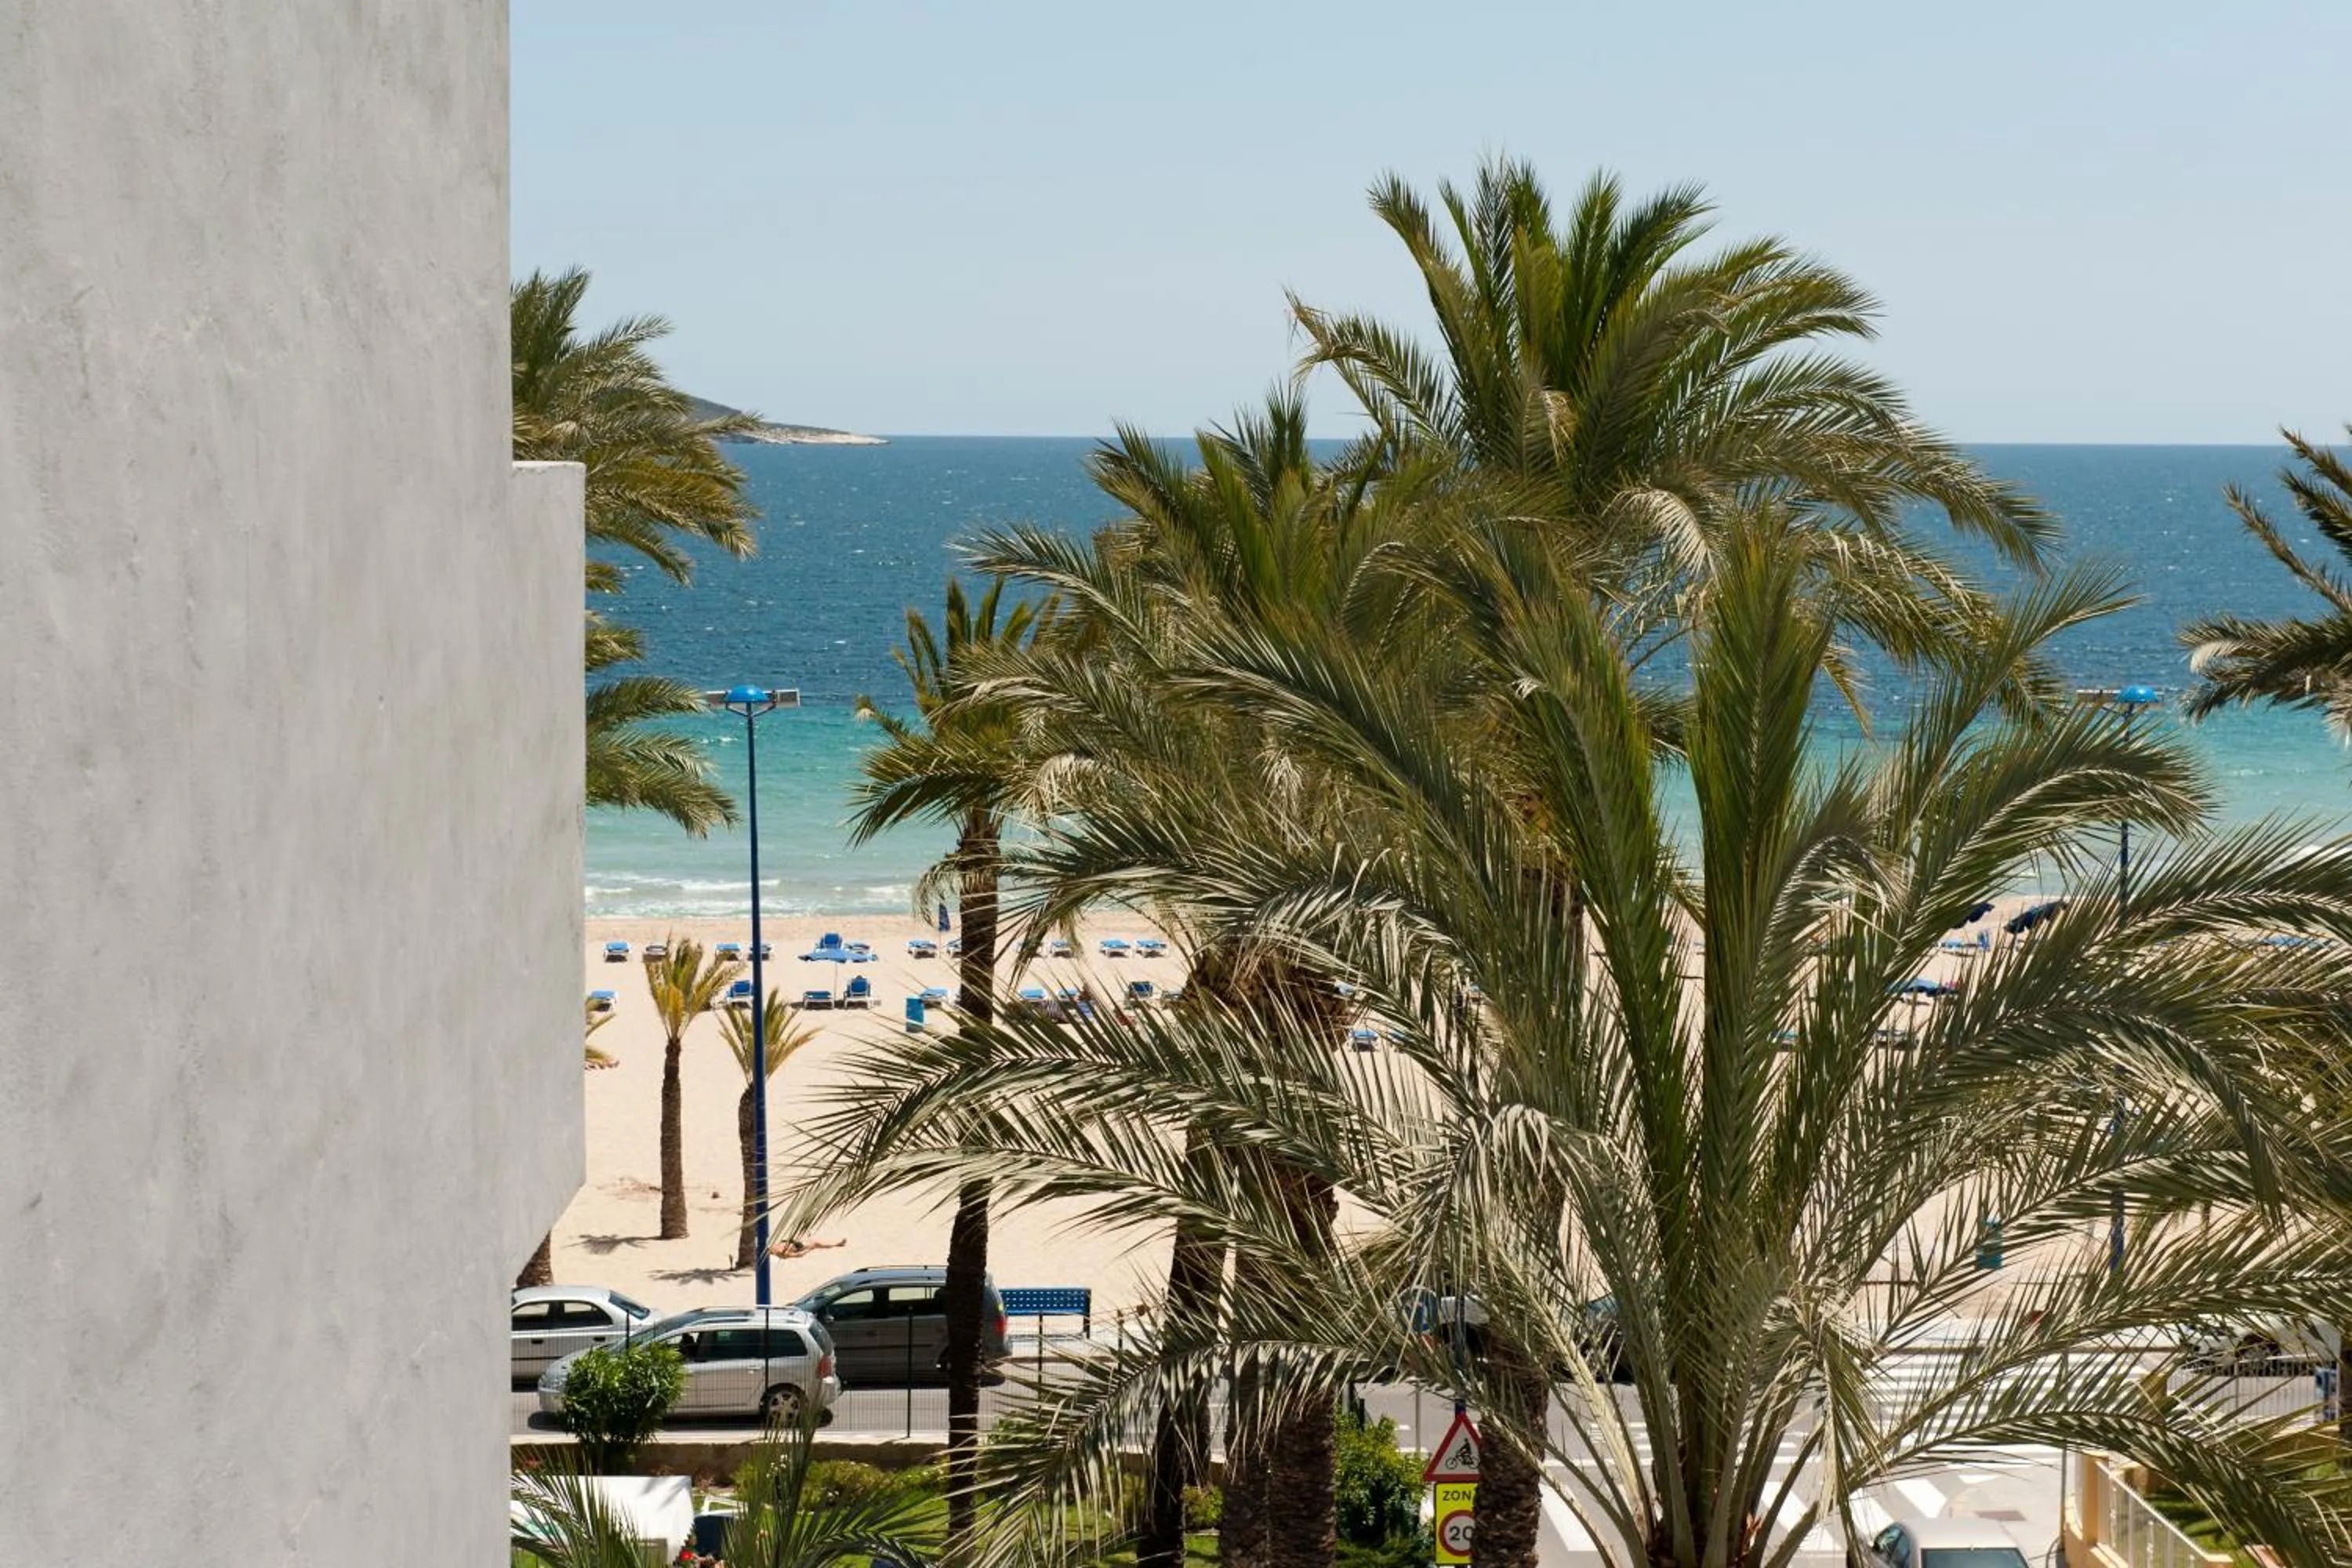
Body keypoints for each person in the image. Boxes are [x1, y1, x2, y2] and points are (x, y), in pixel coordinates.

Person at [770, 1235, 846, 1260]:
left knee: (817, 1243)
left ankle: (837, 1244)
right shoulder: (781, 1253)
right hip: (797, 1247)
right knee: (816, 1244)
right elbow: (799, 1255)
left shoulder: (773, 1247)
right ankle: (837, 1244)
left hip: (793, 1244)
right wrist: (810, 1249)